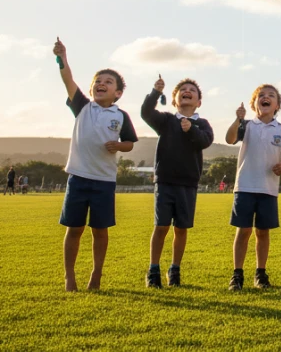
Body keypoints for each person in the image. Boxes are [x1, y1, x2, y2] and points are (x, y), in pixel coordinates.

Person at [51, 38, 138, 291]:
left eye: (108, 82)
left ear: (118, 93)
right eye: (97, 81)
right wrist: (63, 58)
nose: (101, 84)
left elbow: (131, 142)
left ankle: (96, 275)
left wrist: (119, 146)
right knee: (74, 229)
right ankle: (70, 277)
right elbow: (68, 79)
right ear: (91, 90)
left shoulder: (120, 115)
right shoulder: (82, 107)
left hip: (104, 182)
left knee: (100, 230)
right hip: (78, 178)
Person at [140, 74, 214, 288]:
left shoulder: (202, 123)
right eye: (182, 89)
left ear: (199, 101)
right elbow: (146, 112)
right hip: (164, 182)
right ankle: (153, 269)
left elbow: (205, 141)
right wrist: (155, 92)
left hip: (188, 184)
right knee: (161, 226)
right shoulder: (166, 121)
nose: (186, 91)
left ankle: (175, 269)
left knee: (181, 229)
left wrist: (191, 129)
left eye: (192, 89)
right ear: (174, 100)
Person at [224, 85, 281, 290]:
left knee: (263, 232)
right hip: (245, 186)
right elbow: (229, 139)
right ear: (254, 103)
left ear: (277, 105)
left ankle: (260, 274)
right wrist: (237, 119)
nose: (265, 98)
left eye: (270, 96)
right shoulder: (246, 125)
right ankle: (237, 275)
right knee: (243, 230)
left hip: (268, 189)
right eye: (261, 96)